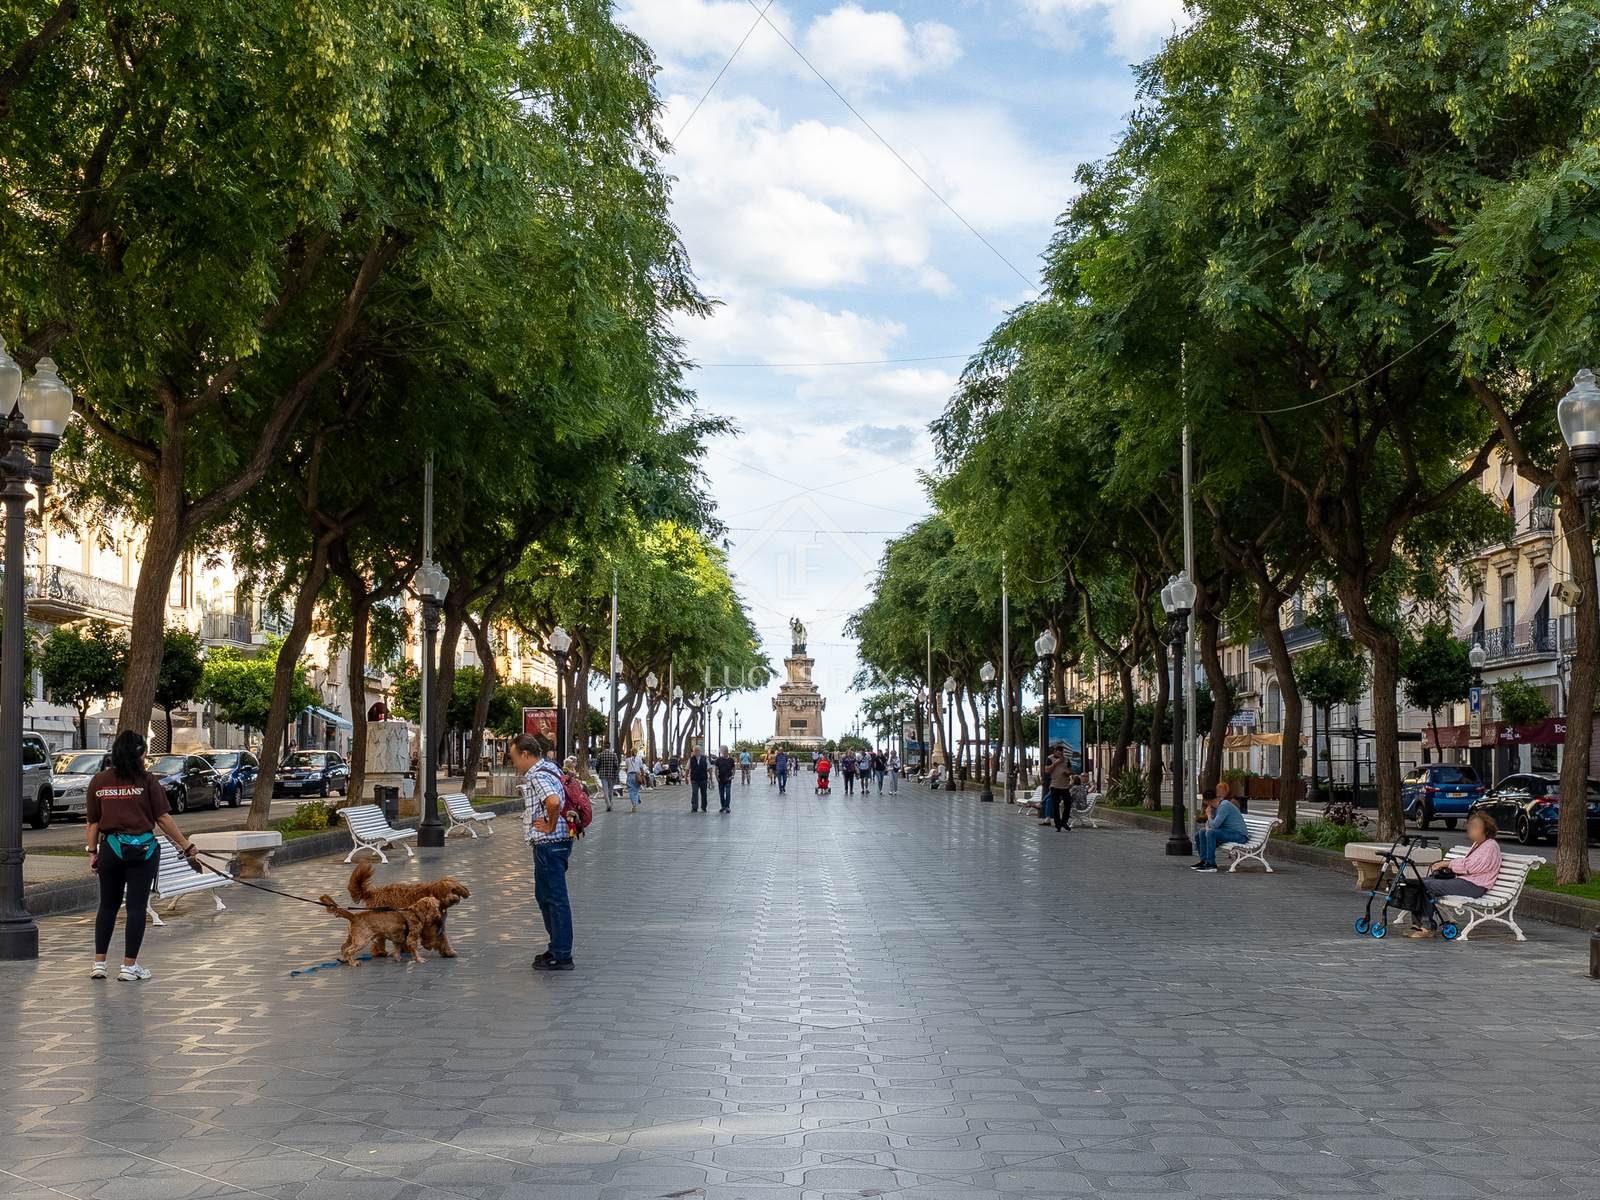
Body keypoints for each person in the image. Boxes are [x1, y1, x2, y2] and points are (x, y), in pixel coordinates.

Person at [85, 730, 199, 981]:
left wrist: (93, 853)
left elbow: (93, 822)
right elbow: (163, 818)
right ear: (140, 754)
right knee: (136, 907)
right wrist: (186, 845)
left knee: (107, 906)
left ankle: (99, 963)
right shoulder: (147, 781)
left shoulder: (99, 781)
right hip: (143, 852)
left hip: (111, 849)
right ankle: (129, 967)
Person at [512, 734, 575, 971]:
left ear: (525, 754)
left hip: (549, 844)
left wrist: (549, 825)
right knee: (546, 896)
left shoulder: (537, 775)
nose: (514, 763)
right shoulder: (551, 767)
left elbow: (554, 801)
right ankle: (557, 947)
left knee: (554, 898)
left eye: (514, 757)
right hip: (558, 842)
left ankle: (562, 954)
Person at [1401, 812, 1503, 937]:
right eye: (1471, 826)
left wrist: (1448, 863)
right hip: (1466, 881)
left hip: (1475, 886)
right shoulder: (1479, 844)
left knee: (1427, 886)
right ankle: (1418, 923)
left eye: (1476, 827)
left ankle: (1427, 927)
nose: (1471, 829)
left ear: (1486, 830)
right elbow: (1469, 865)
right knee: (1420, 883)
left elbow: (1471, 866)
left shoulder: (1490, 846)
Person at [1193, 787, 1248, 873]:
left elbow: (1214, 826)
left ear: (1208, 801)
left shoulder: (1224, 806)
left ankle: (1211, 864)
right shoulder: (1215, 807)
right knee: (1200, 833)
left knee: (1211, 833)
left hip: (1239, 835)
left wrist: (1209, 814)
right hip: (1228, 832)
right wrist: (1209, 818)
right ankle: (1204, 861)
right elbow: (1212, 824)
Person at [594, 744, 620, 813]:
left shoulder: (600, 755)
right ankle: (610, 804)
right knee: (610, 790)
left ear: (604, 747)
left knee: (605, 791)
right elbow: (616, 766)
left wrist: (598, 771)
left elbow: (596, 765)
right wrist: (615, 773)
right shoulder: (614, 755)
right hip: (611, 775)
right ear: (609, 747)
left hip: (603, 775)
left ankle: (608, 805)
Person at [687, 743, 711, 812]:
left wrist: (711, 778)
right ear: (693, 752)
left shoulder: (705, 758)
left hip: (703, 779)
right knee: (695, 793)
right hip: (694, 779)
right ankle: (694, 807)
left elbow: (709, 768)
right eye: (695, 750)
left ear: (700, 751)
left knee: (704, 793)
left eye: (698, 750)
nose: (696, 752)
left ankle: (704, 807)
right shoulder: (691, 759)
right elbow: (687, 769)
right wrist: (685, 778)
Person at [714, 745, 736, 813]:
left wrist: (733, 775)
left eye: (722, 751)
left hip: (728, 779)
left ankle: (727, 807)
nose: (722, 752)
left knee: (728, 793)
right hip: (720, 779)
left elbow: (733, 768)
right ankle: (723, 806)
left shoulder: (731, 760)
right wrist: (716, 777)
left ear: (726, 751)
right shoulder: (718, 760)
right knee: (721, 794)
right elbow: (716, 769)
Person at [624, 748, 645, 812]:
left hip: (630, 776)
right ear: (636, 752)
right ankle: (636, 800)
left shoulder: (627, 760)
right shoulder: (639, 759)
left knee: (631, 791)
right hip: (637, 776)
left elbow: (626, 769)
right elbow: (641, 769)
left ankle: (634, 804)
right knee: (636, 790)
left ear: (631, 753)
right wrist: (642, 775)